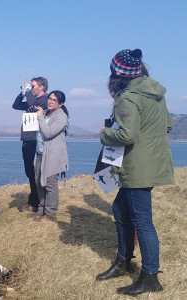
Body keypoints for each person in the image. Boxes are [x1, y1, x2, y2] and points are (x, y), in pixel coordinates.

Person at [96, 49, 174, 296]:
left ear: (116, 75)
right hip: (152, 161)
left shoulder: (127, 97)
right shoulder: (155, 93)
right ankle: (123, 261)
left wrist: (104, 133)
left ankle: (150, 276)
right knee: (120, 209)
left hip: (137, 165)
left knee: (143, 221)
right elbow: (168, 125)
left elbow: (127, 135)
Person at [26, 90, 69, 222]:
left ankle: (50, 214)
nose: (50, 101)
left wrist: (39, 117)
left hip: (52, 155)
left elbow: (48, 133)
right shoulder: (46, 114)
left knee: (50, 184)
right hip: (40, 152)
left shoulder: (61, 116)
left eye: (54, 100)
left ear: (60, 104)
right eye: (49, 98)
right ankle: (41, 210)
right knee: (39, 182)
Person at [12, 77, 48, 212]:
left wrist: (27, 93)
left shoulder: (45, 99)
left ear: (41, 87)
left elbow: (33, 102)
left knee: (36, 172)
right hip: (27, 139)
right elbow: (15, 105)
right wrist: (22, 92)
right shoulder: (30, 100)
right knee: (29, 172)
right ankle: (33, 200)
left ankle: (38, 202)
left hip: (36, 140)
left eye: (32, 86)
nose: (30, 88)